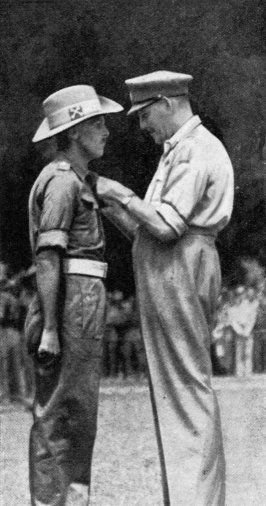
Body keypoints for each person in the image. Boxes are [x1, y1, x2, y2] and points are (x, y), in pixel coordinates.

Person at [96, 70, 234, 505]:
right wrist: (113, 207)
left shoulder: (195, 149)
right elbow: (148, 233)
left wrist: (118, 193)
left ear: (168, 102)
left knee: (184, 389)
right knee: (175, 389)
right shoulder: (178, 150)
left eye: (144, 115)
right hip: (172, 264)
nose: (142, 126)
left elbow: (169, 225)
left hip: (181, 266)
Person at [26, 84, 123, 505]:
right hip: (68, 303)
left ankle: (72, 499)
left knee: (78, 414)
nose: (106, 132)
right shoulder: (63, 182)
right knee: (61, 414)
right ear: (73, 132)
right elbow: (48, 257)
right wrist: (50, 328)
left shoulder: (78, 179)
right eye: (97, 123)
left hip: (80, 299)